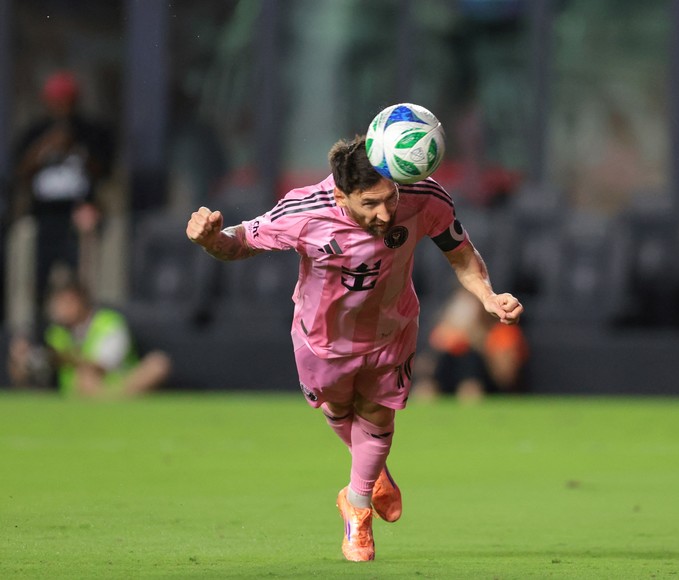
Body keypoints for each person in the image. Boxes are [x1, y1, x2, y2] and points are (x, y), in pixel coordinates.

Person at [185, 135, 524, 562]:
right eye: (370, 204)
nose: (385, 213)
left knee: (379, 414)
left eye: (389, 198)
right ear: (342, 195)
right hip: (322, 339)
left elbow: (461, 254)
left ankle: (357, 507)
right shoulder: (305, 210)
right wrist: (210, 240)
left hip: (393, 328)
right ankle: (373, 473)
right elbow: (239, 242)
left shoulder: (423, 194)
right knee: (339, 411)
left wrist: (489, 298)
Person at [10, 70, 115, 334]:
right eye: (57, 100)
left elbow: (106, 171)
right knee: (37, 282)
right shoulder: (35, 131)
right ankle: (36, 335)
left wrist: (75, 148)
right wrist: (46, 146)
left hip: (79, 216)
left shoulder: (90, 131)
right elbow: (19, 171)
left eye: (67, 100)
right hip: (43, 217)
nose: (62, 106)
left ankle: (82, 334)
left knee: (80, 283)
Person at [7, 279, 171, 398]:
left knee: (158, 364)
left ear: (81, 301)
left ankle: (113, 398)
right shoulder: (56, 332)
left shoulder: (109, 322)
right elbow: (39, 361)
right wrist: (26, 357)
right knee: (84, 378)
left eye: (66, 302)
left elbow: (102, 366)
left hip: (118, 382)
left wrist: (62, 358)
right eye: (58, 303)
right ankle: (110, 400)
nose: (60, 309)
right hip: (79, 391)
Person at [414, 288, 529, 402]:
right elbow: (424, 366)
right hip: (444, 378)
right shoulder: (443, 333)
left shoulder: (501, 332)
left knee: (470, 388)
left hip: (480, 383)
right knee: (424, 390)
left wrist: (477, 339)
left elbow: (506, 377)